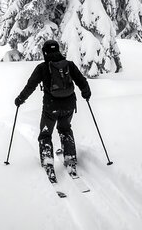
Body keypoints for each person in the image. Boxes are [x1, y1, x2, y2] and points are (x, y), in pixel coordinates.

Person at [14, 39, 91, 183]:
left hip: (51, 107)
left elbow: (30, 86)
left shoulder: (42, 68)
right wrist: (86, 93)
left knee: (45, 134)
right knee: (65, 129)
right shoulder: (69, 65)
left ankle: (48, 161)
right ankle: (70, 159)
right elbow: (82, 81)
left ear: (45, 52)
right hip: (69, 105)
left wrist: (20, 99)